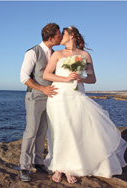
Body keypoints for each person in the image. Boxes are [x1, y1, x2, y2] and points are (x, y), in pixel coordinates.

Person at [43, 26, 127, 184]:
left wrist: (80, 79)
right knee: (60, 130)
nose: (60, 37)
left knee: (75, 131)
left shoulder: (84, 55)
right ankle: (59, 167)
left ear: (72, 35)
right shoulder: (57, 54)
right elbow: (46, 74)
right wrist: (66, 79)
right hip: (59, 96)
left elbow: (93, 78)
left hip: (77, 95)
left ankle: (70, 168)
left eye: (64, 34)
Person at [19, 23, 62, 182]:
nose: (61, 37)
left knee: (42, 131)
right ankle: (24, 166)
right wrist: (42, 89)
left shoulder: (56, 53)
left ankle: (37, 162)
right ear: (51, 38)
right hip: (35, 97)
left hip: (50, 99)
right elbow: (24, 78)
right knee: (31, 131)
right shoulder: (32, 52)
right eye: (59, 35)